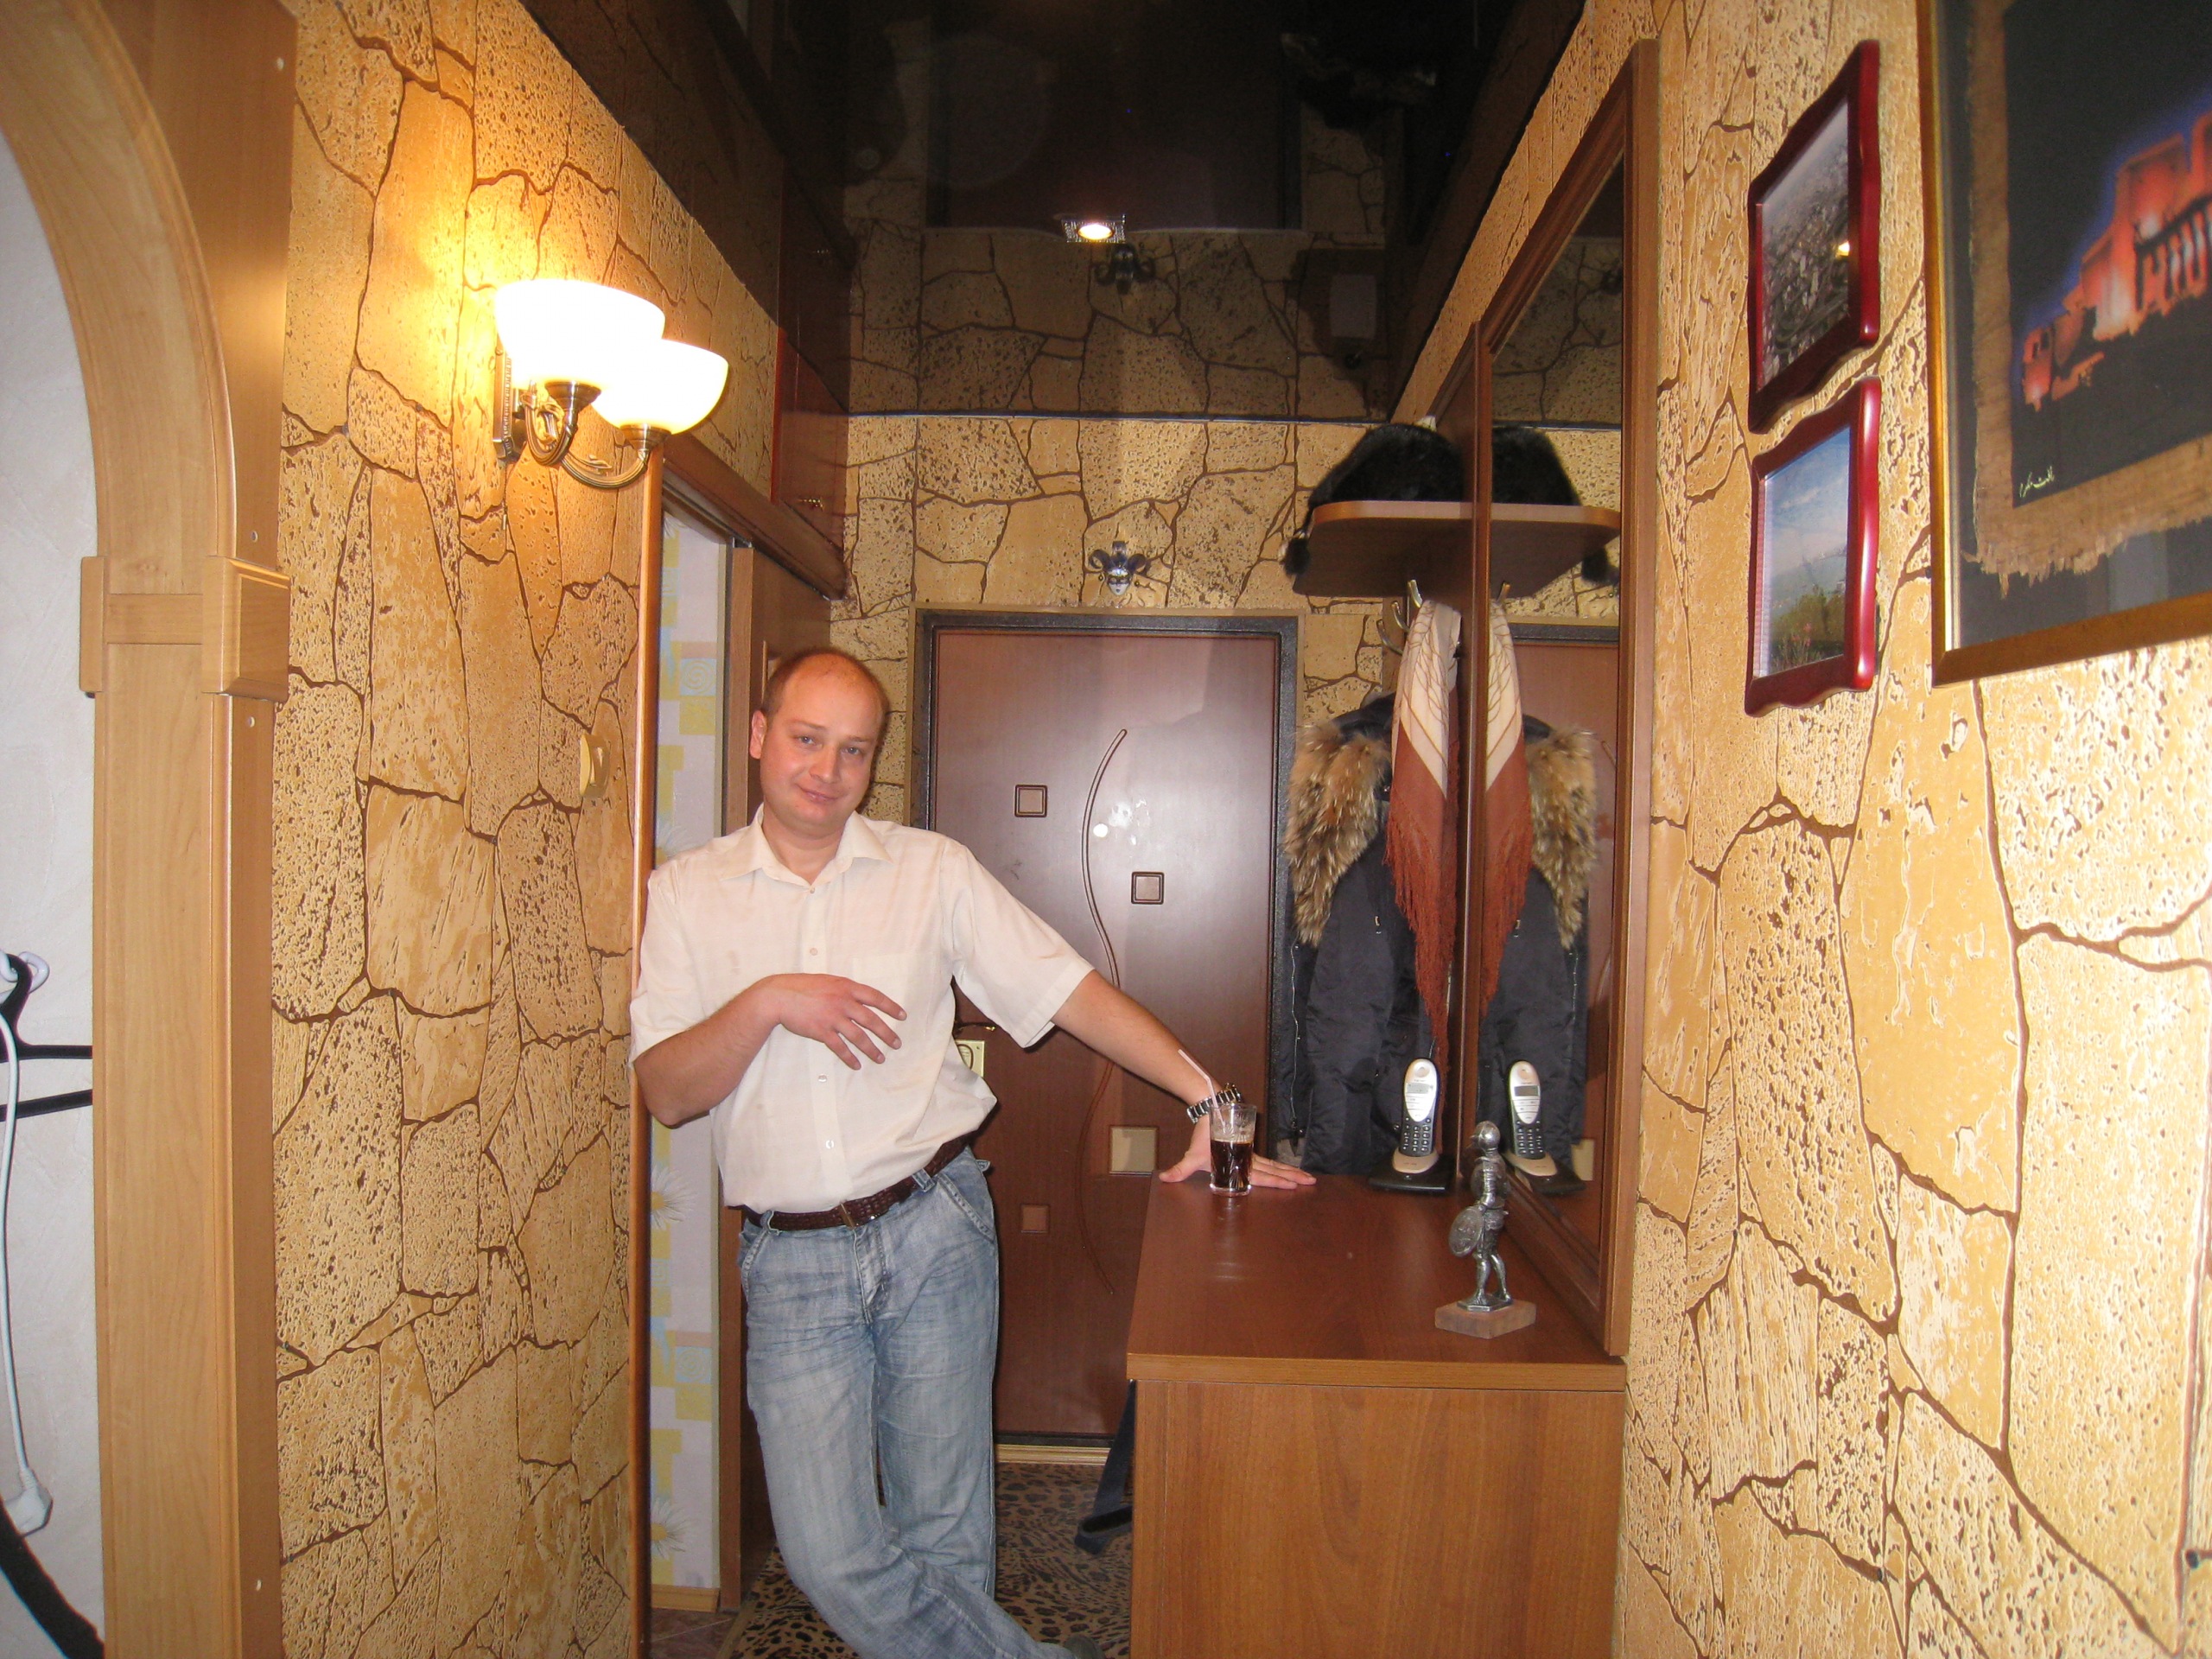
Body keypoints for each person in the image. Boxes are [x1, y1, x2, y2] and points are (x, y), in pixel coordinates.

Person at [631, 647, 1313, 1659]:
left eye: (854, 749)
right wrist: (769, 1001)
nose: (827, 769)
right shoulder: (687, 893)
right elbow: (668, 1091)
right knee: (827, 1553)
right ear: (758, 735)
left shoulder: (929, 871)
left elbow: (1066, 988)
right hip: (791, 1259)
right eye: (807, 739)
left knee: (945, 1541)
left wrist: (1208, 1098)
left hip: (934, 1229)